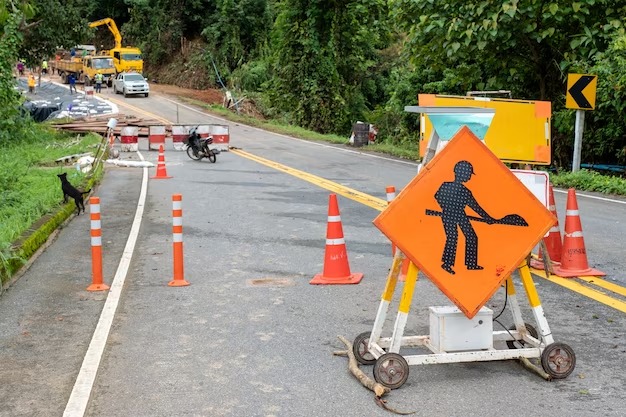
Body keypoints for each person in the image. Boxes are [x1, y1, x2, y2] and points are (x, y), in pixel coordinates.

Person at [433, 160, 496, 275]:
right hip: (449, 214)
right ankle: (447, 264)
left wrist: (488, 218)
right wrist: (446, 207)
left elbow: (476, 207)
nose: (469, 177)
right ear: (462, 173)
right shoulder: (448, 186)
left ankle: (471, 264)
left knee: (471, 236)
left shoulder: (465, 191)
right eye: (468, 174)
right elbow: (437, 196)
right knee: (453, 236)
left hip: (459, 214)